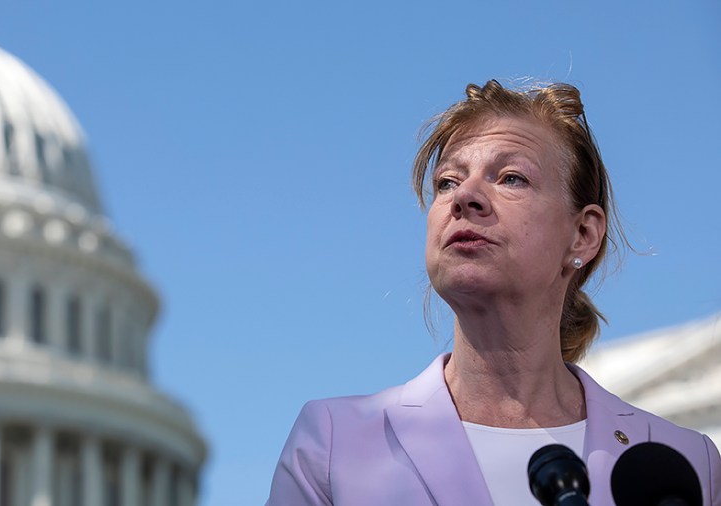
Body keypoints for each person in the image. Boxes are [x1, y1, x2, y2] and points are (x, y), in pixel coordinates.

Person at [266, 80, 721, 505]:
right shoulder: (332, 445)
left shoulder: (688, 462)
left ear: (583, 234)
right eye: (447, 182)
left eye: (511, 178)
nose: (464, 197)